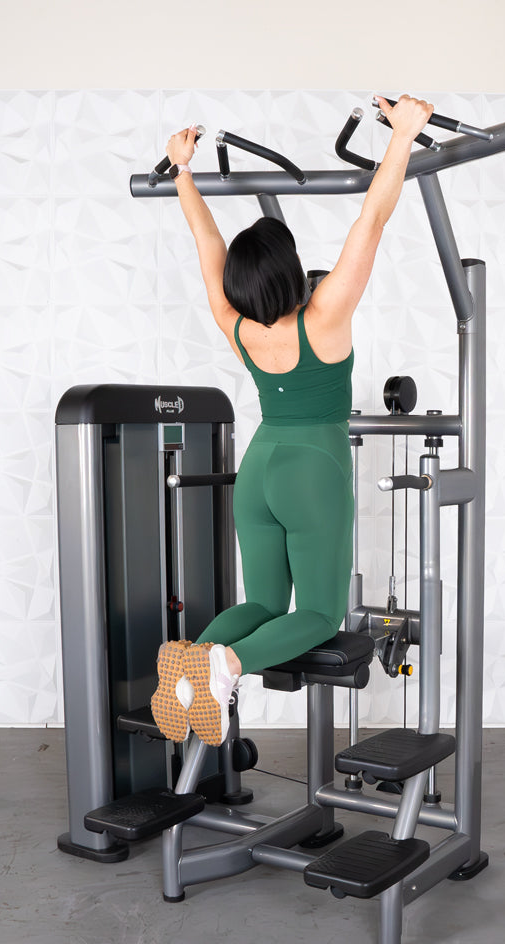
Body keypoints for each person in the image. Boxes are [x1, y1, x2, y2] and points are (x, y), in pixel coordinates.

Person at [151, 94, 435, 747]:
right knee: (315, 612)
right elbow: (371, 222)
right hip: (313, 467)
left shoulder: (237, 326)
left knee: (259, 603)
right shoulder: (325, 315)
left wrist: (182, 171)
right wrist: (404, 136)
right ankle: (223, 664)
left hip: (261, 466)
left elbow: (207, 241)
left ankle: (195, 664)